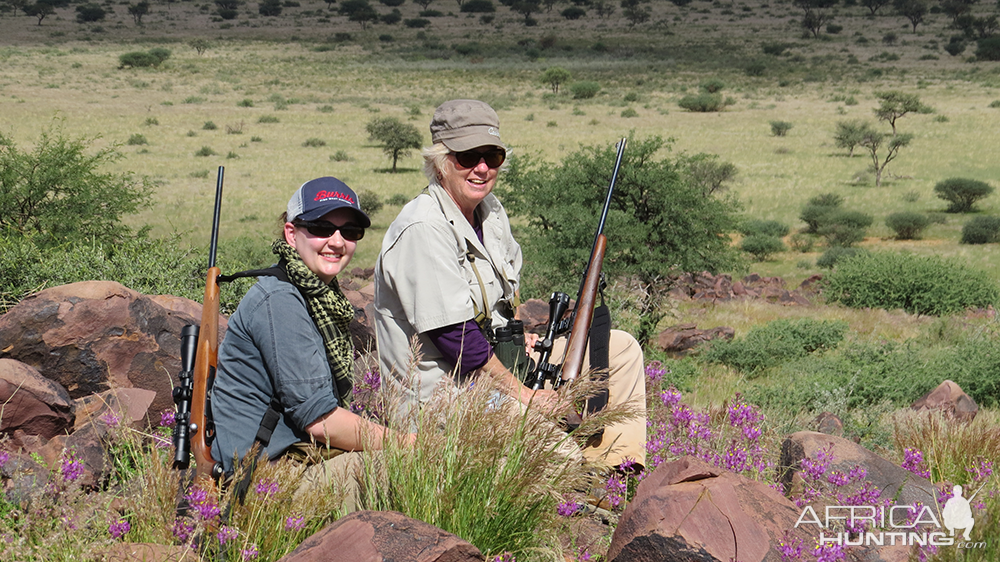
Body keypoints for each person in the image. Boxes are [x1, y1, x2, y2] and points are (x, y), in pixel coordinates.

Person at [373, 99, 646, 470]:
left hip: (492, 364)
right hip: (441, 391)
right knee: (556, 456)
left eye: (493, 156)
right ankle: (579, 485)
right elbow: (456, 337)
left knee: (622, 349)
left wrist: (517, 336)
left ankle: (614, 474)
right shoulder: (424, 227)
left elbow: (501, 300)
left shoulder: (490, 212)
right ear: (441, 161)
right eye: (468, 156)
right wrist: (527, 397)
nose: (482, 168)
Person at [211, 177, 406, 501]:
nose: (337, 241)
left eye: (350, 231)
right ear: (291, 234)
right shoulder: (280, 301)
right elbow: (320, 421)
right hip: (270, 480)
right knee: (416, 466)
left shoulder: (315, 296)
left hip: (299, 459)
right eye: (320, 227)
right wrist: (410, 443)